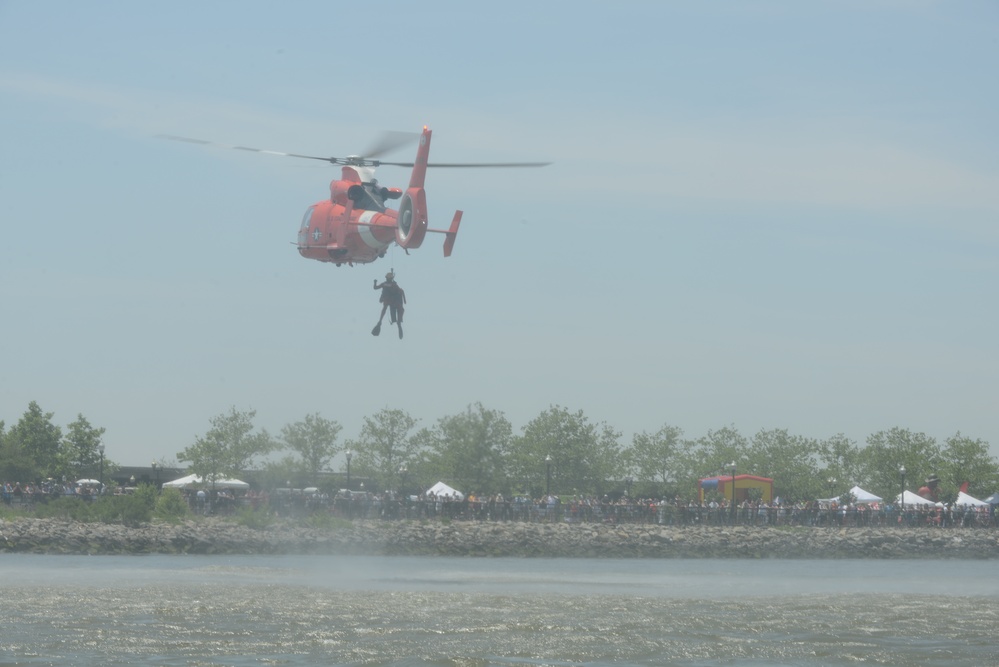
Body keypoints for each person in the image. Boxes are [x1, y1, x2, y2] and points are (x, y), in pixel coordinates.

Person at [372, 271, 406, 339]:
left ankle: (380, 321)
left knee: (384, 308)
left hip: (390, 301)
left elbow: (375, 287)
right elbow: (401, 291)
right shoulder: (394, 285)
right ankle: (398, 324)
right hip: (395, 302)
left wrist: (375, 282)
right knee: (397, 311)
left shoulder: (384, 284)